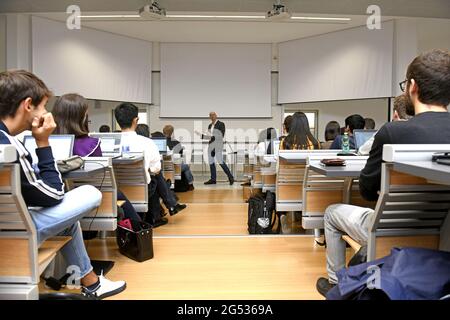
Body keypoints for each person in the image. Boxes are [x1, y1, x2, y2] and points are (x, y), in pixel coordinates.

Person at [316, 49, 450, 297]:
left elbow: (367, 191)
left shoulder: (393, 133)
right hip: (443, 236)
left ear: (412, 87)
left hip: (391, 229)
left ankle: (338, 284)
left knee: (332, 212)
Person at [0, 70, 126, 299]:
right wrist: (43, 143)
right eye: (43, 107)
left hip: (7, 224)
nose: (46, 113)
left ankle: (93, 285)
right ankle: (92, 285)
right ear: (28, 105)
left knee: (67, 221)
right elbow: (54, 194)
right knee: (88, 192)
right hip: (14, 232)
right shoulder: (9, 146)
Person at [52, 93, 141, 222]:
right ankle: (139, 229)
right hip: (89, 200)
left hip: (54, 202)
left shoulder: (42, 143)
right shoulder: (91, 145)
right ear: (82, 118)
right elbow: (100, 181)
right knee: (116, 192)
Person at [114, 103, 186, 227]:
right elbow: (157, 169)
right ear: (135, 120)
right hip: (141, 190)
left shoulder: (108, 142)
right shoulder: (147, 143)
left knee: (154, 177)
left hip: (116, 191)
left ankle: (167, 208)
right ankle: (166, 208)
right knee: (155, 176)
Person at [195, 112, 234, 185]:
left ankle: (230, 177)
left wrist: (209, 137)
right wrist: (202, 136)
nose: (212, 116)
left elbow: (220, 136)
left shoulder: (221, 124)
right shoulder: (210, 125)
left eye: (213, 115)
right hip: (211, 145)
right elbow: (210, 137)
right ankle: (213, 179)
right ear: (209, 117)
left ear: (216, 116)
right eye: (210, 115)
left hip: (218, 145)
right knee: (211, 163)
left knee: (220, 161)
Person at [163, 124, 195, 190]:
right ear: (172, 132)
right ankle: (190, 184)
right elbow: (180, 156)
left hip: (162, 167)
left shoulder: (160, 142)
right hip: (174, 167)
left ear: (163, 132)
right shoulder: (177, 143)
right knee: (186, 166)